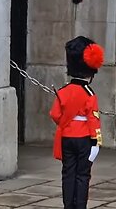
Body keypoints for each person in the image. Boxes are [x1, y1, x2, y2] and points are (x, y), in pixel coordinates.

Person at [49, 36, 104, 209]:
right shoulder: (89, 94)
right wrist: (96, 142)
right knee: (82, 175)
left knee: (68, 174)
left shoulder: (63, 91)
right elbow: (93, 120)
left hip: (66, 137)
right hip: (83, 139)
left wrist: (67, 124)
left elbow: (55, 114)